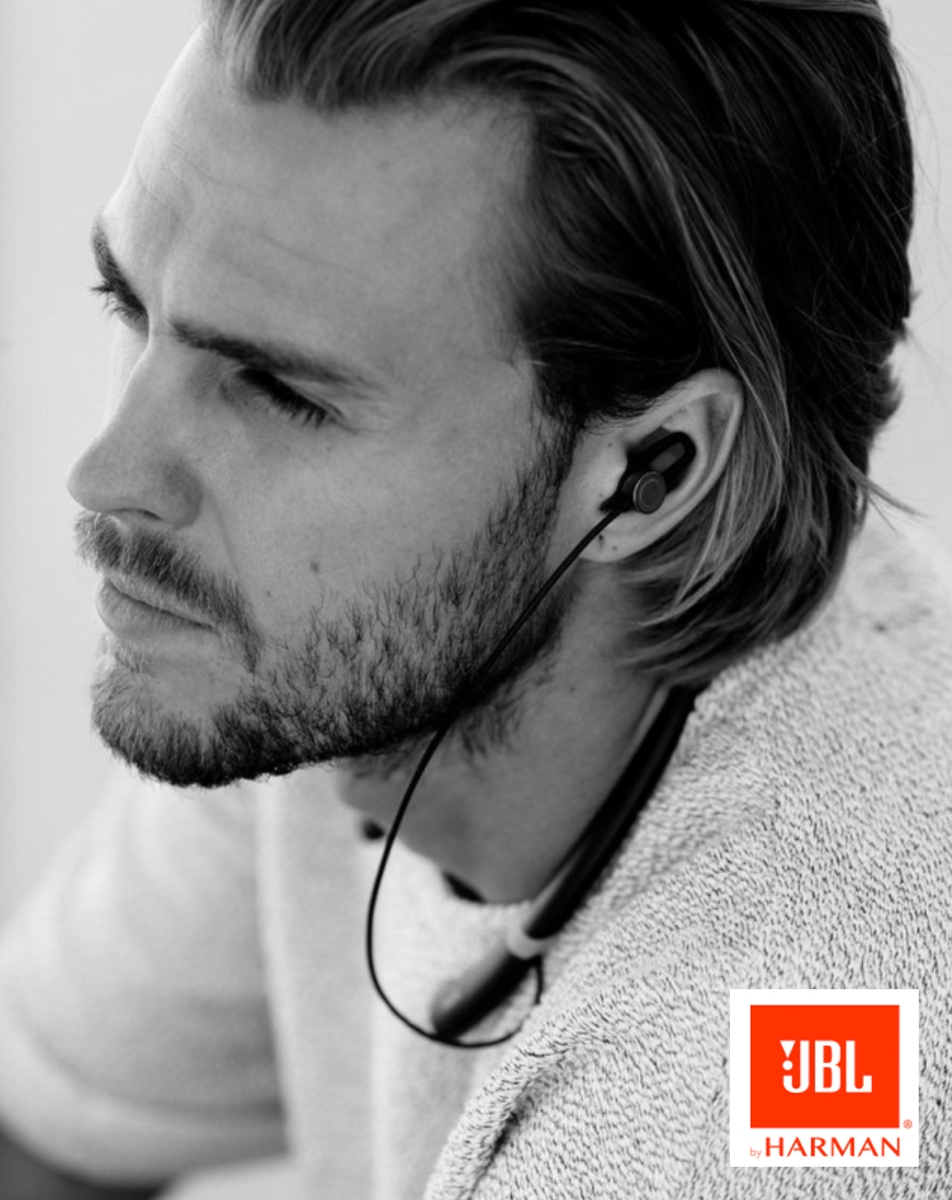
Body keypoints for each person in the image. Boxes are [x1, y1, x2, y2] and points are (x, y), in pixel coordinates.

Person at [1, 0, 950, 1196]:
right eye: (128, 308)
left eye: (277, 393)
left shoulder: (759, 1111)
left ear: (653, 472)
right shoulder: (315, 653)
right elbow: (39, 1120)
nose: (110, 477)